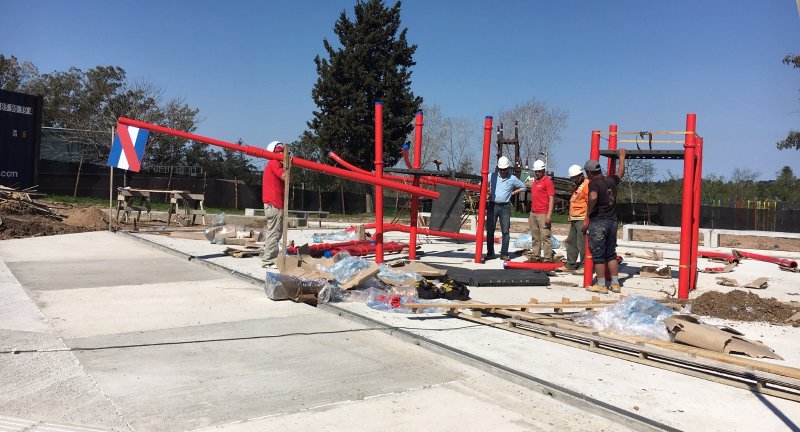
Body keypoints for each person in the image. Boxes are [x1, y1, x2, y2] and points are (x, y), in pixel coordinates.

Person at [583, 148, 627, 294]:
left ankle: (601, 285)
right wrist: (622, 158)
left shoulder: (594, 183)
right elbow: (620, 173)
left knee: (598, 255)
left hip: (599, 222)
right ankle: (615, 284)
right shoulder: (611, 180)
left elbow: (593, 197)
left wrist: (588, 213)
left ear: (589, 173)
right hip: (612, 221)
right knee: (611, 254)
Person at [485, 156, 527, 261]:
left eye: (504, 169)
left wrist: (513, 193)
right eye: (501, 169)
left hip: (505, 207)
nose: (502, 171)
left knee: (505, 231)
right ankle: (490, 253)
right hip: (492, 205)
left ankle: (504, 253)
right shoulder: (492, 176)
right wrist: (487, 192)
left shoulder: (512, 179)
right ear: (498, 168)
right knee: (490, 231)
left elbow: (523, 187)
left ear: (508, 168)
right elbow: (482, 183)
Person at [261, 141, 287, 267]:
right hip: (274, 204)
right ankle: (268, 259)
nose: (283, 154)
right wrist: (288, 167)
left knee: (275, 232)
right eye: (281, 152)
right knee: (274, 232)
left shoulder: (271, 163)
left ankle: (271, 256)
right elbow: (284, 176)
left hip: (273, 204)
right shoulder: (274, 162)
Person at [525, 159, 554, 262]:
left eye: (540, 171)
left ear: (543, 170)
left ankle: (547, 258)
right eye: (536, 171)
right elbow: (525, 185)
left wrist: (549, 215)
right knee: (535, 236)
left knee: (545, 237)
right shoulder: (535, 182)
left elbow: (551, 198)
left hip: (543, 213)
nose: (538, 173)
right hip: (534, 212)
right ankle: (536, 256)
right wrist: (531, 215)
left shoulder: (547, 182)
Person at [564, 164, 588, 273]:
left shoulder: (587, 185)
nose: (573, 180)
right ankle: (570, 264)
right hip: (575, 218)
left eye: (574, 178)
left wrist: (587, 219)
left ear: (580, 176)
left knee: (582, 243)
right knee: (571, 242)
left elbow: (590, 203)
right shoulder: (578, 186)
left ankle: (584, 266)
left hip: (582, 218)